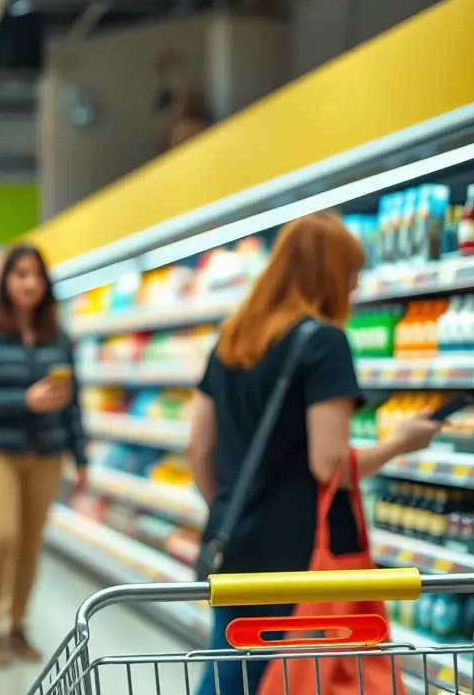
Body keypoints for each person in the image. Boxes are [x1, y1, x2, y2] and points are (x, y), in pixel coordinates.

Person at [186, 213, 440, 695]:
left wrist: (230, 508)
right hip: (297, 555)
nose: (354, 287)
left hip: (234, 542)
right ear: (328, 276)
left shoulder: (233, 337)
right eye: (350, 275)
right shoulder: (324, 342)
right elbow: (329, 466)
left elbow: (197, 445)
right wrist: (399, 443)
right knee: (286, 680)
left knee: (229, 674)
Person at [0, 244, 87, 667]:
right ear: (6, 281)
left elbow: (73, 401)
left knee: (30, 543)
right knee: (3, 535)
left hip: (47, 452)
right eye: (20, 274)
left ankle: (17, 625)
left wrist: (81, 456)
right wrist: (23, 401)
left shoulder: (58, 336)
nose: (29, 283)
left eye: (36, 275)